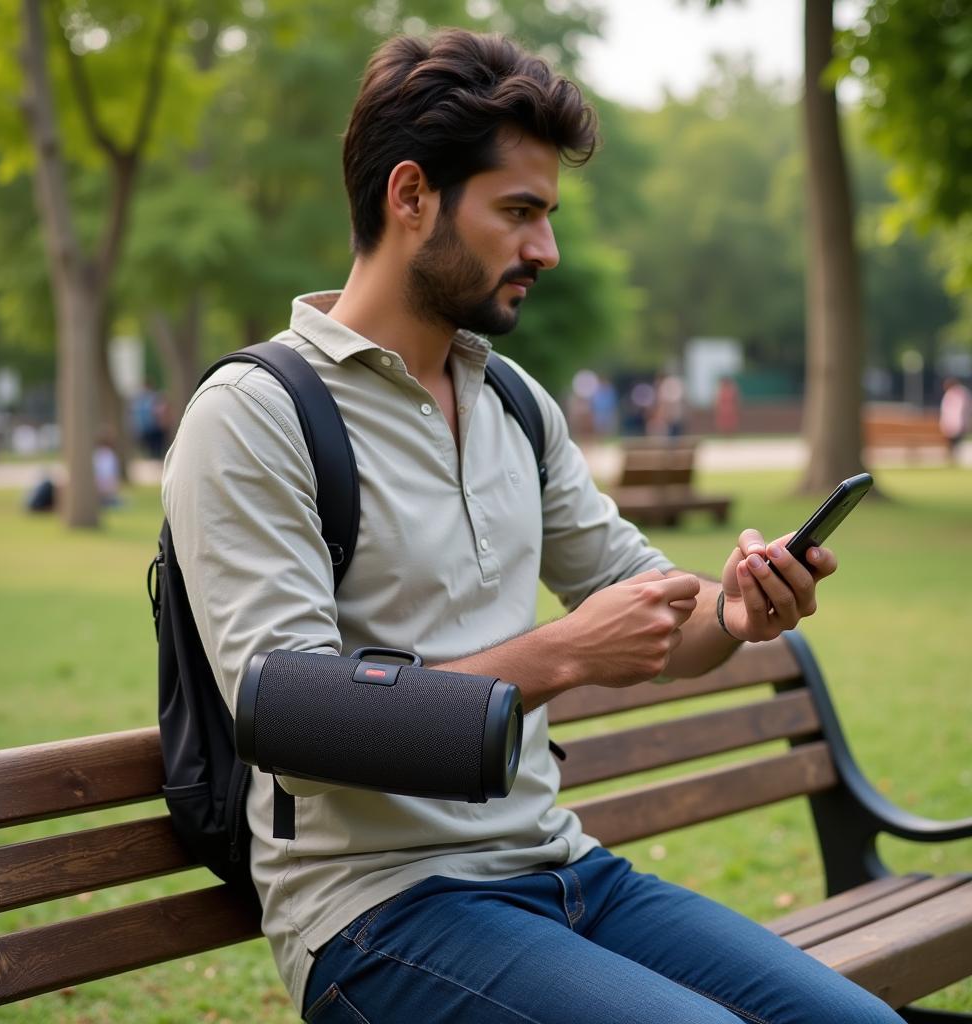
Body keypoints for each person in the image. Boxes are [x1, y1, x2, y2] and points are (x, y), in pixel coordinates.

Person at [162, 29, 903, 1024]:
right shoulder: (255, 413)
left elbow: (656, 617)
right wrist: (557, 655)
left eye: (547, 215)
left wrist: (733, 608)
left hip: (564, 872)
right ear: (411, 194)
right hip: (379, 914)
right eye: (518, 212)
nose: (545, 249)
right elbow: (293, 721)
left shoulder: (512, 401)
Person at [939, 376, 971, 462]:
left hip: (956, 423)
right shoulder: (957, 393)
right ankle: (952, 459)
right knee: (953, 443)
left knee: (955, 442)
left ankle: (953, 459)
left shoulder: (959, 393)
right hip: (952, 423)